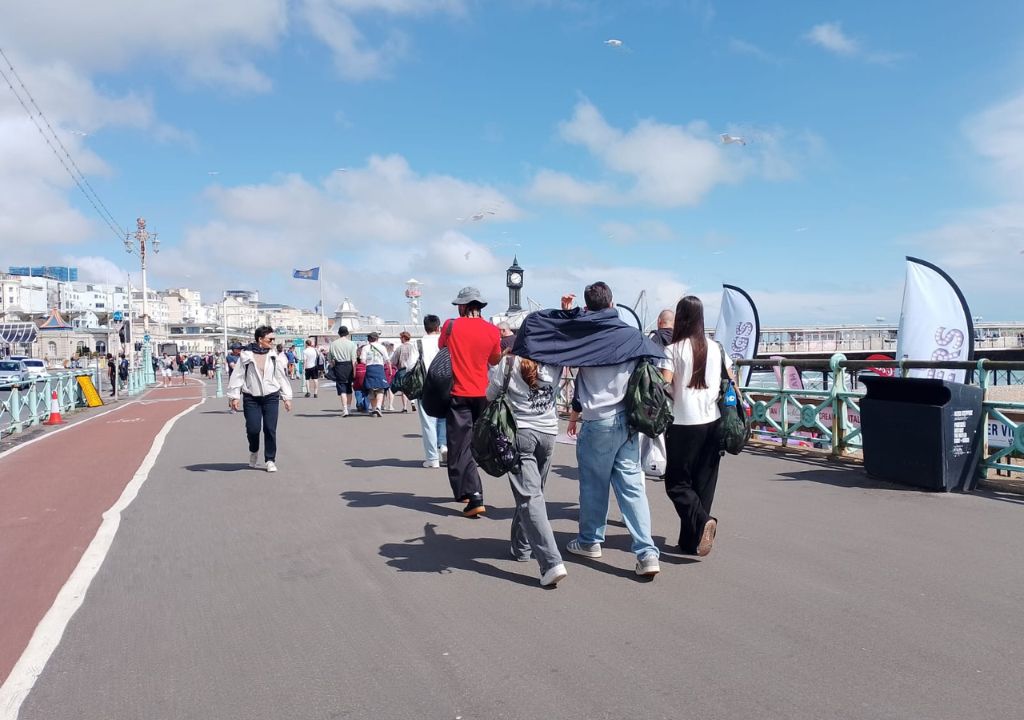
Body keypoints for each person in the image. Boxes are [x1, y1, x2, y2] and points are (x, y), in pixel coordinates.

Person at [512, 282, 664, 577]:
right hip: (629, 421)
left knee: (594, 485)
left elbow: (546, 328)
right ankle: (647, 553)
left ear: (588, 306)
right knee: (632, 488)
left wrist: (568, 313)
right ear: (612, 303)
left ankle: (590, 541)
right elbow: (657, 360)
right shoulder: (631, 336)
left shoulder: (583, 335)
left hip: (597, 420)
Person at [487, 353, 567, 587]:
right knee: (532, 494)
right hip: (548, 432)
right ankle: (521, 546)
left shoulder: (510, 362)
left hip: (520, 431)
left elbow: (490, 394)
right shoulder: (556, 360)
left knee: (529, 497)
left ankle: (551, 562)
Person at [660, 295, 730, 557]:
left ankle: (703, 522)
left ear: (680, 318)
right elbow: (730, 379)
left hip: (683, 423)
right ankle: (689, 543)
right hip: (712, 421)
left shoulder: (673, 350)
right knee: (703, 484)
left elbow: (665, 384)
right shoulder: (716, 348)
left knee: (676, 483)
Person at [440, 287, 502, 518]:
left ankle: (473, 494)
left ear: (462, 306)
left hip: (458, 392)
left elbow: (442, 349)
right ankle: (468, 488)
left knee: (459, 446)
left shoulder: (450, 326)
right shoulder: (492, 330)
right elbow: (495, 359)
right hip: (483, 394)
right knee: (477, 443)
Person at [226, 326, 293, 473]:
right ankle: (254, 450)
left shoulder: (273, 355)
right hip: (251, 397)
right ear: (260, 339)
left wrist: (286, 397)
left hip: (271, 396)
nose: (273, 342)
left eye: (274, 339)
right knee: (253, 429)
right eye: (270, 339)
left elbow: (281, 376)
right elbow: (237, 375)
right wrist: (234, 396)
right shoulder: (246, 355)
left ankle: (270, 459)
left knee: (270, 429)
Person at [417, 315, 448, 467]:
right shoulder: (444, 343)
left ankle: (432, 458)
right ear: (438, 327)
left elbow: (411, 366)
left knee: (428, 421)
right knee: (444, 417)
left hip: (425, 385)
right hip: (444, 384)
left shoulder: (418, 344)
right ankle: (444, 445)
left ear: (425, 327)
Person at [328, 326, 358, 415]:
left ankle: (344, 409)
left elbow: (330, 359)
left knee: (342, 389)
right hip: (349, 366)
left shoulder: (333, 344)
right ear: (347, 333)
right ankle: (348, 408)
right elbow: (354, 359)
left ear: (339, 333)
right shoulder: (352, 344)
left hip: (339, 366)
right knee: (349, 389)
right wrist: (354, 371)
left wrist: (333, 366)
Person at [359, 333, 390, 417]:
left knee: (371, 389)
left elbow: (362, 361)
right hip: (380, 368)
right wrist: (390, 370)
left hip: (370, 369)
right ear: (377, 338)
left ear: (369, 339)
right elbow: (387, 360)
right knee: (380, 389)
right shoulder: (382, 347)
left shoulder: (365, 348)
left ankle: (373, 409)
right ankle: (378, 407)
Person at [390, 332, 418, 413]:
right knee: (413, 387)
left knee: (404, 389)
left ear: (403, 338)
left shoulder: (400, 348)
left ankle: (405, 407)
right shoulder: (413, 347)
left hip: (403, 369)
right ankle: (413, 402)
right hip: (413, 369)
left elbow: (394, 361)